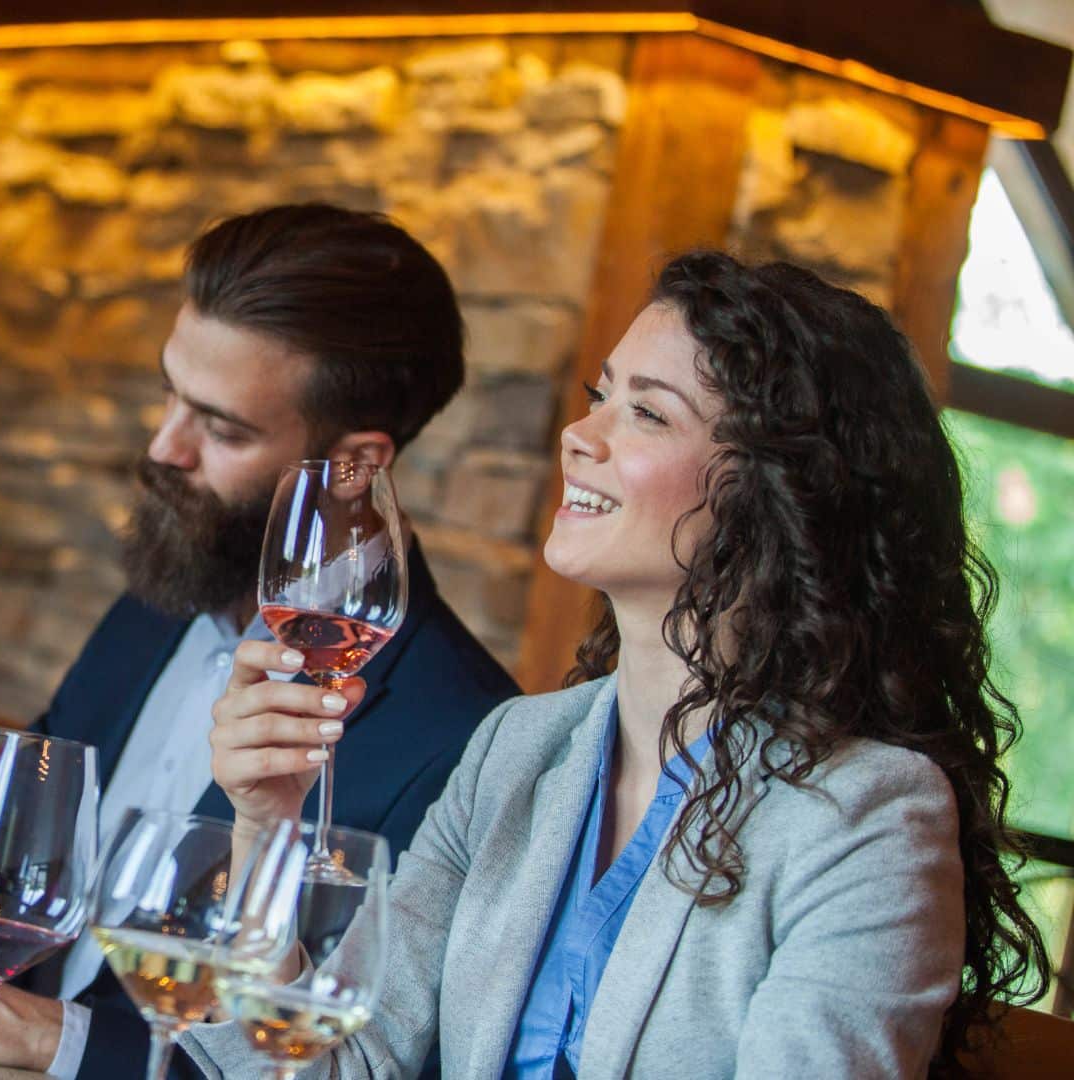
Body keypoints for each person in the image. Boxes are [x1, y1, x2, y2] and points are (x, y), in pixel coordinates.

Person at [188, 251, 1048, 1079]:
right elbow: (327, 1071)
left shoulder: (867, 818)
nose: (578, 435)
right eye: (601, 396)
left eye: (647, 412)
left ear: (779, 491)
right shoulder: (515, 751)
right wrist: (265, 832)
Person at [0, 204, 520, 1078]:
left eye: (221, 428)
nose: (163, 446)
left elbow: (346, 1063)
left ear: (357, 466)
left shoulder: (461, 739)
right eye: (170, 394)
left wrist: (52, 1034)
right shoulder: (160, 605)